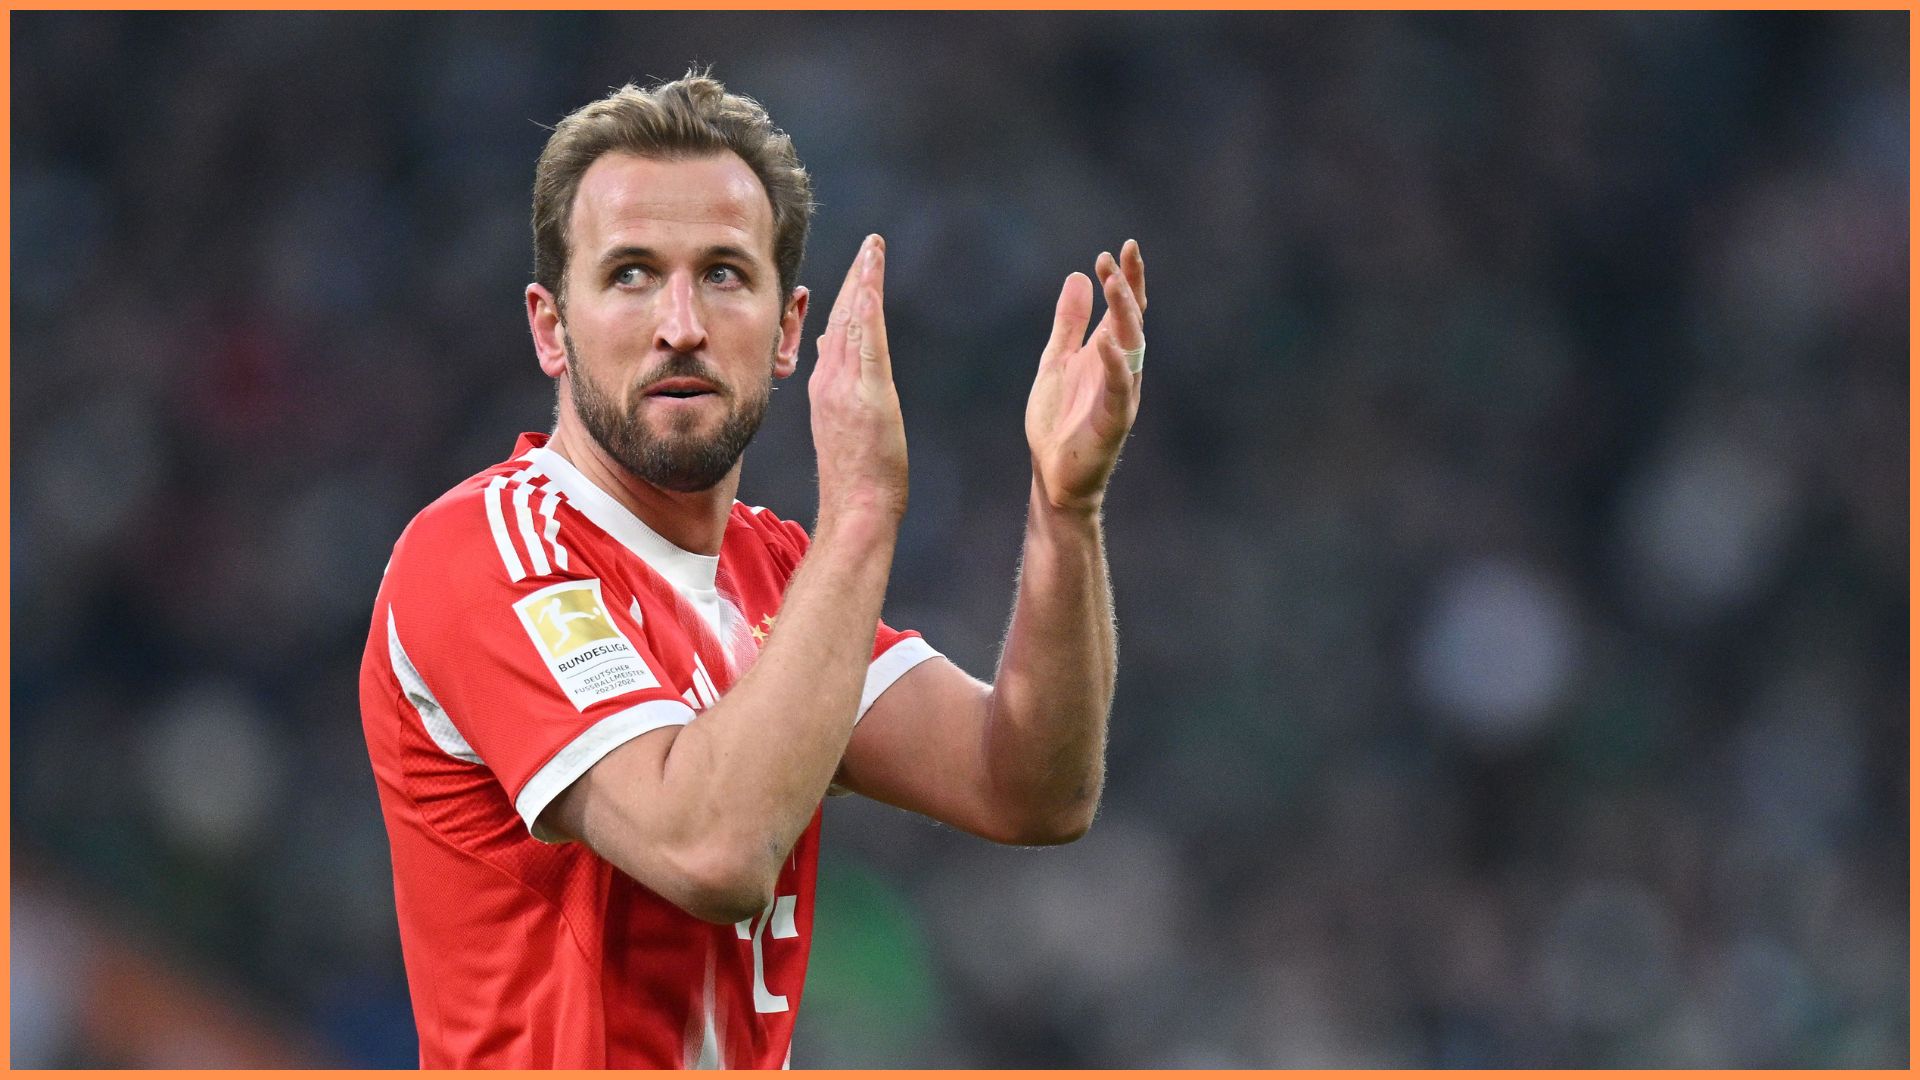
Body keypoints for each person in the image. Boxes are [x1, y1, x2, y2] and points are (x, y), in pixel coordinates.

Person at [358, 71, 1146, 1069]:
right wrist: (863, 505)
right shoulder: (485, 552)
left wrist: (1065, 511)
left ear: (787, 331)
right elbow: (710, 851)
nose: (680, 321)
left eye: (724, 273)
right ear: (551, 328)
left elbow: (1031, 787)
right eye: (632, 273)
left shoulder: (780, 576)